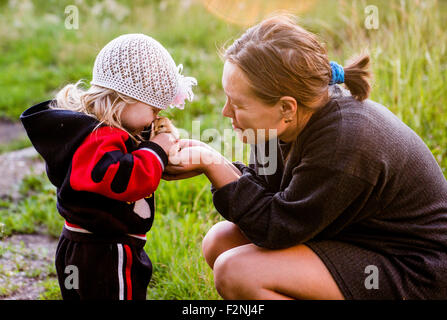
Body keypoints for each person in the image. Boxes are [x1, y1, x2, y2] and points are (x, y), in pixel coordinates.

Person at [164, 15, 447, 300]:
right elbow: (269, 197)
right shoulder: (277, 125)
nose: (226, 112)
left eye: (238, 104)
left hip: (412, 268)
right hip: (355, 239)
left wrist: (216, 167)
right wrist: (214, 164)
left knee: (235, 272)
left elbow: (278, 228)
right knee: (219, 242)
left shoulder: (343, 142)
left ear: (286, 108)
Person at [20, 34, 196, 300]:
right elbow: (123, 179)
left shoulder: (94, 134)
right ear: (125, 99)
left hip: (85, 245)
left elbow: (120, 160)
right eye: (154, 109)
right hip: (104, 251)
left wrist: (154, 148)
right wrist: (157, 150)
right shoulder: (99, 139)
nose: (155, 118)